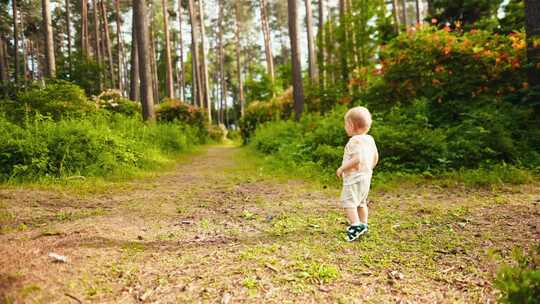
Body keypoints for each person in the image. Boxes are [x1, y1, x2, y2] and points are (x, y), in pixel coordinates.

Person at [336, 106, 379, 242]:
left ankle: (355, 225)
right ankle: (364, 224)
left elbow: (357, 159)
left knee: (348, 202)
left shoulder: (354, 140)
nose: (345, 127)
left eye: (346, 124)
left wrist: (342, 168)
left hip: (354, 178)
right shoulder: (369, 139)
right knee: (361, 202)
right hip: (366, 176)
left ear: (351, 125)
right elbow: (375, 156)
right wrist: (369, 168)